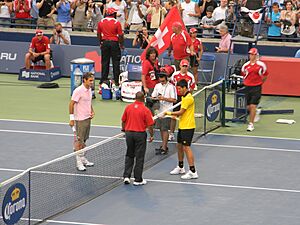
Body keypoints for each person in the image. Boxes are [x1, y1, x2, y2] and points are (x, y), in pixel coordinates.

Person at [165, 79, 198, 179]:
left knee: (186, 148)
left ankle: (193, 171)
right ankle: (180, 167)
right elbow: (183, 114)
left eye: (179, 88)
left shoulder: (188, 98)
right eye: (177, 88)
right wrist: (176, 117)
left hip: (188, 127)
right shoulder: (184, 97)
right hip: (182, 126)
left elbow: (181, 112)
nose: (178, 90)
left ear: (185, 88)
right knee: (179, 146)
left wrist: (168, 113)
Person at [122, 91, 154, 186]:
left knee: (129, 154)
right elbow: (150, 125)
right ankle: (137, 179)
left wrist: (124, 130)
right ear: (143, 98)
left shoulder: (128, 107)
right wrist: (151, 135)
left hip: (129, 134)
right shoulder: (145, 110)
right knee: (139, 157)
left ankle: (126, 176)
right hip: (140, 135)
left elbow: (123, 120)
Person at [69, 72, 95, 171]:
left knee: (84, 140)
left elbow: (89, 102)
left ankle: (83, 158)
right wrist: (71, 119)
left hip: (87, 118)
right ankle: (78, 162)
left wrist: (92, 111)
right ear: (84, 80)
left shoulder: (89, 90)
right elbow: (71, 104)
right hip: (80, 120)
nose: (92, 82)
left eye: (92, 80)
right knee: (79, 142)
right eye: (90, 80)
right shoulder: (78, 91)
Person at [241, 48, 268, 132]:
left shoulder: (261, 65)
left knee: (253, 105)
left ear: (256, 55)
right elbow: (243, 75)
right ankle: (256, 112)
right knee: (248, 106)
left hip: (256, 87)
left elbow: (265, 75)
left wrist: (260, 83)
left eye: (253, 54)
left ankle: (251, 124)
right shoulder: (245, 65)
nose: (251, 56)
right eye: (250, 54)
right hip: (247, 87)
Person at [169, 59, 195, 141]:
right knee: (174, 117)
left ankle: (185, 131)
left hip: (185, 98)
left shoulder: (191, 76)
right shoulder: (175, 75)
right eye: (183, 66)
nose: (184, 68)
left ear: (188, 67)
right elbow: (172, 85)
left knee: (184, 114)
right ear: (180, 66)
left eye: (186, 66)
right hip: (177, 97)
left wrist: (188, 95)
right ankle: (171, 133)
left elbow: (192, 87)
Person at [97, 7, 124, 87]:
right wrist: (121, 44)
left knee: (105, 62)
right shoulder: (117, 22)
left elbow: (98, 34)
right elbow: (121, 35)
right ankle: (116, 81)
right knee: (116, 62)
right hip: (114, 43)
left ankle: (103, 80)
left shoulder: (101, 22)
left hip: (105, 43)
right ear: (113, 14)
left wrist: (101, 42)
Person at [151, 73, 177, 155]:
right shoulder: (157, 86)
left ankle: (164, 147)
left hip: (167, 111)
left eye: (163, 80)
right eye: (160, 80)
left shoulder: (171, 87)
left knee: (164, 129)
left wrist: (164, 98)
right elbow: (153, 96)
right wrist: (155, 99)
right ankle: (163, 145)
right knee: (161, 129)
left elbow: (174, 100)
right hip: (159, 112)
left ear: (166, 79)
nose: (161, 82)